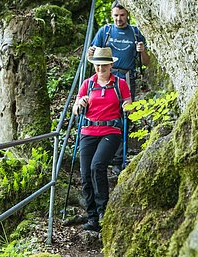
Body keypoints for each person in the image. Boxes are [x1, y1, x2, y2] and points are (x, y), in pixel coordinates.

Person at [72, 47, 132, 232]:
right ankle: (92, 218)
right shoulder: (88, 84)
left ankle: (103, 211)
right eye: (97, 66)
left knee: (97, 166)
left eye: (104, 66)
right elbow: (75, 109)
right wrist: (80, 104)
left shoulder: (120, 84)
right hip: (88, 131)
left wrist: (128, 106)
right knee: (85, 175)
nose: (100, 69)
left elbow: (130, 105)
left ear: (111, 65)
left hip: (111, 131)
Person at [87, 0, 150, 174]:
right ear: (111, 15)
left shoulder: (136, 33)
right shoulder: (105, 31)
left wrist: (142, 51)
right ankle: (100, 154)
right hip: (105, 76)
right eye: (116, 15)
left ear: (127, 14)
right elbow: (90, 58)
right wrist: (90, 53)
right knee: (102, 113)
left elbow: (146, 62)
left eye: (122, 15)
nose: (119, 19)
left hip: (127, 78)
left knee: (124, 116)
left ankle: (117, 160)